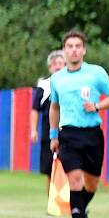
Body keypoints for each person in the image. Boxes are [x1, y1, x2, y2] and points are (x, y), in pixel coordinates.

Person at [49, 30, 109, 218]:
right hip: (68, 134)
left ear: (84, 50)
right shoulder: (57, 78)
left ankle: (80, 211)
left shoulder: (95, 73)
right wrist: (53, 135)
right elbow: (54, 107)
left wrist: (96, 105)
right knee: (75, 179)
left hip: (92, 135)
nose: (74, 50)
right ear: (64, 51)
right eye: (69, 46)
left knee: (91, 184)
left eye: (78, 46)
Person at [29, 50, 66, 195]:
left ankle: (70, 202)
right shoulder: (44, 86)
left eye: (60, 63)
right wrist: (33, 129)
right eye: (54, 64)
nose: (57, 66)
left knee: (69, 167)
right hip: (49, 134)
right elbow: (35, 109)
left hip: (69, 132)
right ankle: (52, 202)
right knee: (50, 169)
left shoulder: (71, 83)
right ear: (50, 67)